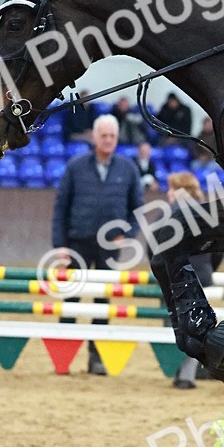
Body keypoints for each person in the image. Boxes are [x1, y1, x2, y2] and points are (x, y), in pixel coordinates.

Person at [51, 115, 144, 374]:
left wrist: (128, 235)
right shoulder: (75, 166)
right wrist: (60, 245)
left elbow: (137, 209)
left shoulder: (128, 169)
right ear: (94, 137)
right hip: (76, 244)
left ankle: (97, 358)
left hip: (110, 248)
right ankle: (64, 358)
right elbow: (61, 207)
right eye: (104, 135)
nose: (108, 140)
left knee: (103, 303)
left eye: (112, 136)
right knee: (71, 301)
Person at [165, 172, 216, 390]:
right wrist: (207, 268)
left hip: (175, 277)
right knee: (196, 324)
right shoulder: (207, 213)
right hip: (202, 276)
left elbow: (154, 247)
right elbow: (218, 248)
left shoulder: (171, 214)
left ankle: (183, 373)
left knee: (175, 324)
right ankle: (192, 370)